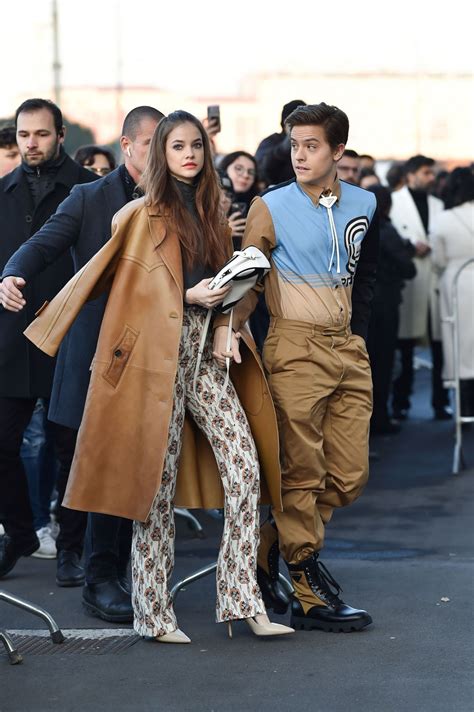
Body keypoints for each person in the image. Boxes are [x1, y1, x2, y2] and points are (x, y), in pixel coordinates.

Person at [21, 110, 294, 644]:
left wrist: (224, 322)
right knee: (155, 487)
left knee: (245, 472)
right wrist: (185, 297)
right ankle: (152, 610)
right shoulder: (137, 215)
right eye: (177, 146)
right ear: (160, 155)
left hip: (207, 359)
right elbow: (121, 293)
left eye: (196, 145)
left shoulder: (215, 215)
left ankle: (242, 600)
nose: (189, 153)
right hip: (153, 361)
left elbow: (227, 284)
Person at [1, 106, 163, 620]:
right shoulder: (91, 196)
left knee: (137, 464)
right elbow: (42, 245)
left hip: (158, 352)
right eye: (156, 144)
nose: (167, 155)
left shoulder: (179, 200)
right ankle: (99, 575)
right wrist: (12, 274)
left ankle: (128, 569)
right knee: (98, 459)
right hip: (95, 350)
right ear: (128, 145)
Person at [229, 102, 379, 632]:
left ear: (338, 151)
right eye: (294, 145)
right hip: (294, 348)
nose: (299, 154)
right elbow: (246, 278)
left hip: (347, 349)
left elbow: (365, 277)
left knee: (348, 475)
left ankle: (267, 547)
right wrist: (230, 329)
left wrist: (360, 335)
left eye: (311, 145)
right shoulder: (270, 206)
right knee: (302, 472)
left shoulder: (365, 201)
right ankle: (306, 581)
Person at [0, 98, 97, 583]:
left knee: (71, 451)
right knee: (3, 445)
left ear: (60, 134)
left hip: (69, 339)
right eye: (23, 135)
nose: (31, 143)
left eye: (40, 134)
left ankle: (69, 547)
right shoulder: (2, 193)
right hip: (11, 343)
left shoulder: (88, 189)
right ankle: (19, 532)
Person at [389, 154, 448, 420]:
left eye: (432, 173)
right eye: (426, 173)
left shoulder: (439, 204)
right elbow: (391, 235)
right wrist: (411, 244)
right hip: (409, 281)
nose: (431, 178)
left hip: (434, 281)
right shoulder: (395, 202)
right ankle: (401, 403)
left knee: (439, 346)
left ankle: (440, 402)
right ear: (411, 175)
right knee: (405, 345)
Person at [366, 185, 416, 434]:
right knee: (383, 363)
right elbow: (408, 268)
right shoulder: (386, 230)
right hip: (385, 305)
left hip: (363, 306)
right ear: (387, 206)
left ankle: (367, 420)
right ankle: (381, 419)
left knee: (366, 364)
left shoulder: (356, 228)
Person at [431, 168, 474, 416]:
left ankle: (465, 406)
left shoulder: (443, 219)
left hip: (456, 283)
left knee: (458, 339)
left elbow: (439, 259)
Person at [255, 100, 306, 187]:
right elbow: (260, 169)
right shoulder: (271, 142)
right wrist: (283, 148)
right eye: (294, 124)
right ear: (285, 124)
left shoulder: (310, 143)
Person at [218, 151, 259, 215]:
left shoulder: (259, 205)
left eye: (251, 172)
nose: (246, 175)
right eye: (239, 169)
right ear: (225, 168)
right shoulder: (206, 197)